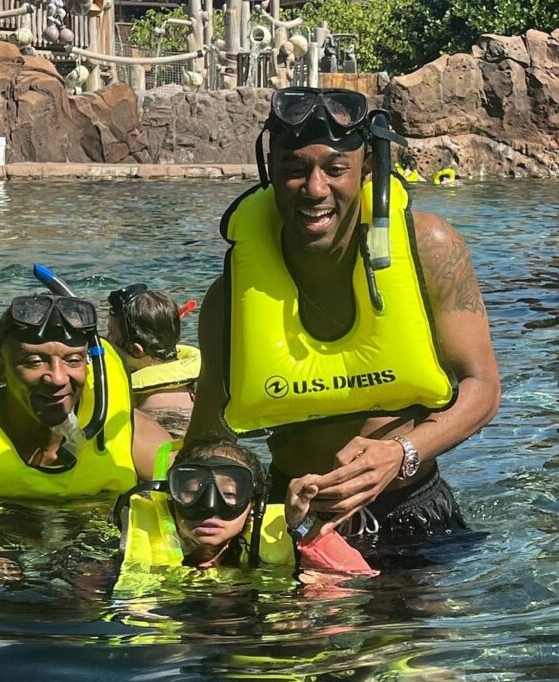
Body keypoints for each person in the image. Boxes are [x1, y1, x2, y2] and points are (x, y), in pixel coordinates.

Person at [186, 86, 500, 541]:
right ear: (269, 170)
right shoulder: (230, 298)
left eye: (336, 170)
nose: (315, 190)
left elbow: (484, 388)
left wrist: (401, 452)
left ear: (367, 169)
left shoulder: (430, 249)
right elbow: (209, 439)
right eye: (294, 170)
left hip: (412, 508)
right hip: (292, 517)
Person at [0, 293, 170, 498]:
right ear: (1, 369)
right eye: (35, 361)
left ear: (88, 366)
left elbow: (196, 492)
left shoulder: (127, 430)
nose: (58, 378)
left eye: (73, 360)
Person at [117, 434, 376, 578]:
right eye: (191, 492)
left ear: (254, 503)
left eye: (229, 494)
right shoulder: (128, 547)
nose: (210, 507)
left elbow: (358, 576)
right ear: (171, 497)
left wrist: (304, 526)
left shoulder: (286, 542)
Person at [107, 284, 200, 437]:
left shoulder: (156, 402)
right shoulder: (184, 385)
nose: (105, 339)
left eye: (111, 334)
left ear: (136, 350)